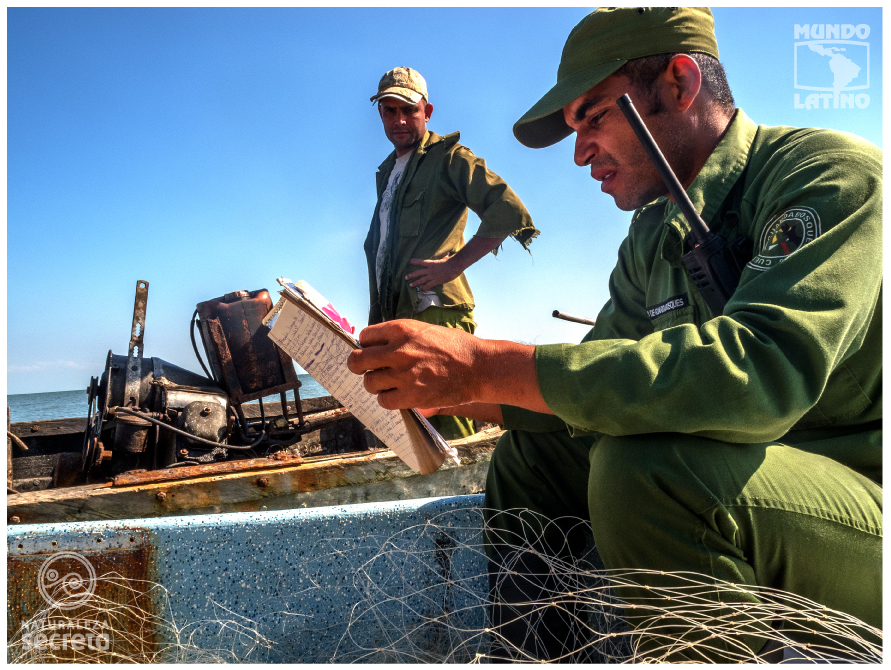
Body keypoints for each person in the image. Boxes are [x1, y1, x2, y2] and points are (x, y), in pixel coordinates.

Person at [348, 8, 882, 662]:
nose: (579, 153)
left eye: (593, 117)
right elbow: (594, 376)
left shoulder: (826, 174)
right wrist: (446, 391)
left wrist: (485, 364)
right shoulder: (653, 233)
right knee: (531, 455)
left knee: (648, 471)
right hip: (742, 479)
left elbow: (760, 373)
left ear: (679, 83)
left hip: (859, 509)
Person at [365, 66, 539, 442]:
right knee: (413, 428)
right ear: (380, 113)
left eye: (409, 110)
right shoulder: (388, 172)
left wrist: (453, 266)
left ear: (426, 112)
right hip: (399, 317)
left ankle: (467, 484)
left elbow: (507, 209)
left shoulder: (448, 157)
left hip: (436, 314)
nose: (399, 120)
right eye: (390, 110)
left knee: (451, 425)